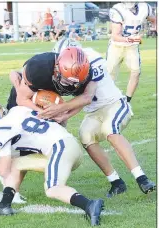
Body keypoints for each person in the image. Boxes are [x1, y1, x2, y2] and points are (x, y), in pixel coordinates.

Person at [51, 39, 156, 197]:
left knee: (110, 129)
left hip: (114, 104)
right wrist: (62, 115)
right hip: (93, 112)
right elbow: (80, 101)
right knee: (85, 136)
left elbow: (87, 96)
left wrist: (63, 112)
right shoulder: (60, 67)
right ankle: (116, 182)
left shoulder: (91, 60)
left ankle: (142, 178)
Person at [0, 100, 104, 226]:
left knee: (53, 188)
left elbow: (3, 171)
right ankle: (4, 205)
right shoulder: (18, 110)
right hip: (68, 145)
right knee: (16, 163)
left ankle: (89, 205)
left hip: (60, 148)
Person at [107, 2, 156, 105]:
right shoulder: (118, 9)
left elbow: (154, 19)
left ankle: (127, 102)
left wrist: (154, 28)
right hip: (116, 46)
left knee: (136, 72)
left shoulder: (144, 7)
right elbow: (115, 36)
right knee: (109, 75)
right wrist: (132, 40)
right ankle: (107, 101)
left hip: (132, 47)